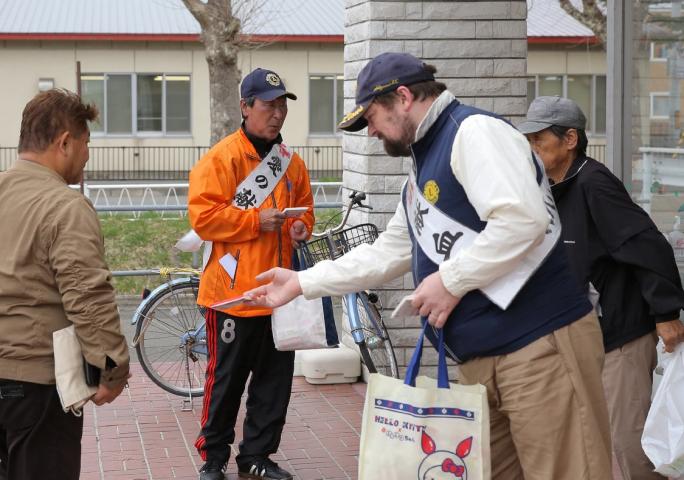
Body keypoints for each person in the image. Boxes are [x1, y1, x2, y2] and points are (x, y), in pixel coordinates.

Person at [246, 52, 613, 479]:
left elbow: (522, 220)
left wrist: (451, 281)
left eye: (374, 118)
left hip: (540, 348)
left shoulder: (473, 133)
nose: (373, 133)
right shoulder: (422, 164)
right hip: (484, 360)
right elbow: (390, 251)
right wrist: (303, 282)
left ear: (402, 97)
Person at [519, 95, 684, 480]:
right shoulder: (551, 186)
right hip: (582, 336)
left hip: (621, 337)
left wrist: (666, 314)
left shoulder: (594, 183)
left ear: (570, 139)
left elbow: (649, 245)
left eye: (539, 140)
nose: (532, 148)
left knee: (632, 443)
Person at [188, 68, 314, 480]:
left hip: (279, 292)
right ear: (245, 107)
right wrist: (256, 222)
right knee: (224, 383)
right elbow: (204, 219)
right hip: (233, 295)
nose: (277, 114)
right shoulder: (221, 158)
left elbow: (307, 211)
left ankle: (256, 455)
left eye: (282, 105)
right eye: (268, 105)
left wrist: (301, 228)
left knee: (274, 385)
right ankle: (214, 458)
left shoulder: (291, 164)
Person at [0, 89, 130, 480]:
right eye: (86, 143)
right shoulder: (65, 207)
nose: (87, 155)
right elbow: (87, 300)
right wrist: (112, 370)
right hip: (36, 384)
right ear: (64, 142)